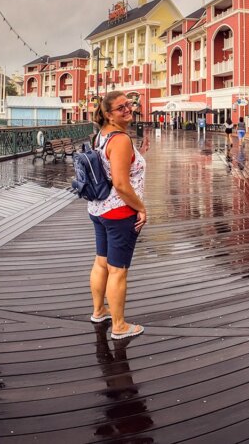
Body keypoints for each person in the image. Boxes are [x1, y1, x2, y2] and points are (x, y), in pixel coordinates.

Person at [88, 90, 150, 339]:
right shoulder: (121, 140)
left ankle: (98, 310)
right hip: (119, 212)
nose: (128, 109)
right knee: (118, 270)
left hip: (99, 208)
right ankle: (120, 326)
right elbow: (122, 184)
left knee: (101, 262)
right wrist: (141, 208)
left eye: (130, 104)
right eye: (121, 107)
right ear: (108, 114)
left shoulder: (101, 136)